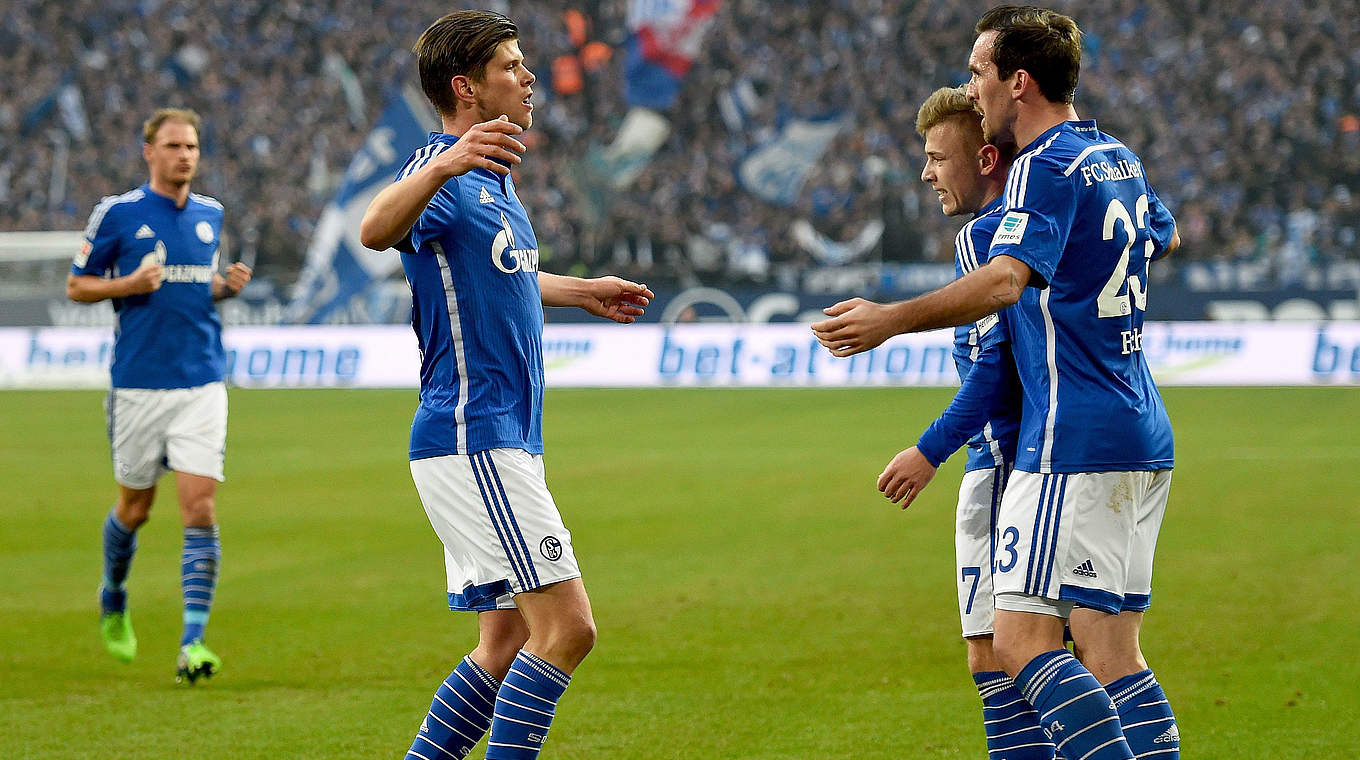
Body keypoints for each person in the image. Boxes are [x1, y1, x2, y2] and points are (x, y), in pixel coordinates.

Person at [812, 6, 1182, 759]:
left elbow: (1007, 283)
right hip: (1140, 424)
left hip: (1071, 437)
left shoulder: (1041, 170)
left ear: (1019, 82)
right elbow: (1162, 233)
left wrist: (889, 320)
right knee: (1111, 656)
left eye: (979, 71)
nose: (971, 87)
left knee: (1016, 643)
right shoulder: (1115, 155)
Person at [358, 11, 653, 760]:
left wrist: (580, 290)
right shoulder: (445, 172)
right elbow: (374, 229)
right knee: (568, 629)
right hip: (475, 433)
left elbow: (507, 279)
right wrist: (443, 167)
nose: (529, 79)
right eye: (512, 67)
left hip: (499, 435)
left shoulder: (494, 184)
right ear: (466, 86)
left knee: (508, 637)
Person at [869, 85, 1058, 760]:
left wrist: (929, 449)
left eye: (934, 157)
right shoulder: (1036, 218)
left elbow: (993, 371)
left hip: (1005, 465)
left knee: (994, 655)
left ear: (983, 158)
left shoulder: (985, 237)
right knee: (1055, 647)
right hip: (1049, 458)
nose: (926, 173)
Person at [68, 108, 251, 684]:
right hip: (138, 385)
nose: (185, 156)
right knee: (136, 509)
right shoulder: (117, 214)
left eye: (193, 146)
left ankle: (193, 643)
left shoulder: (211, 215)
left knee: (199, 506)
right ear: (149, 151)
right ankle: (114, 592)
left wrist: (222, 289)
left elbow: (194, 292)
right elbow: (76, 286)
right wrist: (127, 284)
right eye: (174, 146)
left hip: (201, 381)